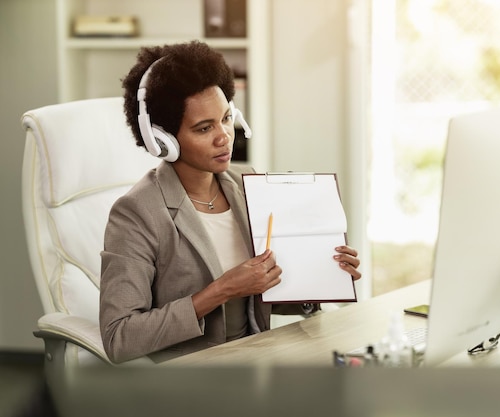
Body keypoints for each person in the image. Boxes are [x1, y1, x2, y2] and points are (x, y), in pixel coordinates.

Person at [99, 41, 361, 364]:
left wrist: (318, 279)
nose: (224, 136)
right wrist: (219, 290)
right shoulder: (137, 213)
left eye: (226, 118)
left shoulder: (244, 184)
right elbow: (119, 337)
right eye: (204, 128)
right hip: (193, 375)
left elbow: (258, 294)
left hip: (257, 360)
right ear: (163, 141)